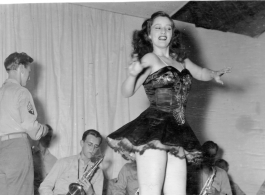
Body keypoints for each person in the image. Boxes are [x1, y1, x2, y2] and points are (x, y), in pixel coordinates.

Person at [107, 11, 231, 195]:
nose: (163, 31)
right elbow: (127, 91)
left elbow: (200, 72)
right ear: (149, 34)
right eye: (158, 27)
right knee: (151, 190)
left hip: (178, 131)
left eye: (168, 27)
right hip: (154, 128)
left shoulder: (183, 61)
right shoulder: (150, 58)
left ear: (173, 33)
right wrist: (133, 75)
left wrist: (213, 74)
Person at [0, 52, 48, 195]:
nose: (28, 76)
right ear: (21, 68)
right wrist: (43, 130)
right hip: (17, 149)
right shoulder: (21, 92)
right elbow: (32, 129)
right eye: (28, 71)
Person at [39, 129, 104, 195]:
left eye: (96, 146)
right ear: (82, 143)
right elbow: (45, 186)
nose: (92, 149)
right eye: (90, 144)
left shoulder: (98, 173)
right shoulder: (63, 162)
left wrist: (91, 193)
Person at [32, 124, 57, 195]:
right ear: (40, 136)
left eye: (50, 136)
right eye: (46, 136)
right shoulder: (30, 155)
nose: (48, 139)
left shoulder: (54, 160)